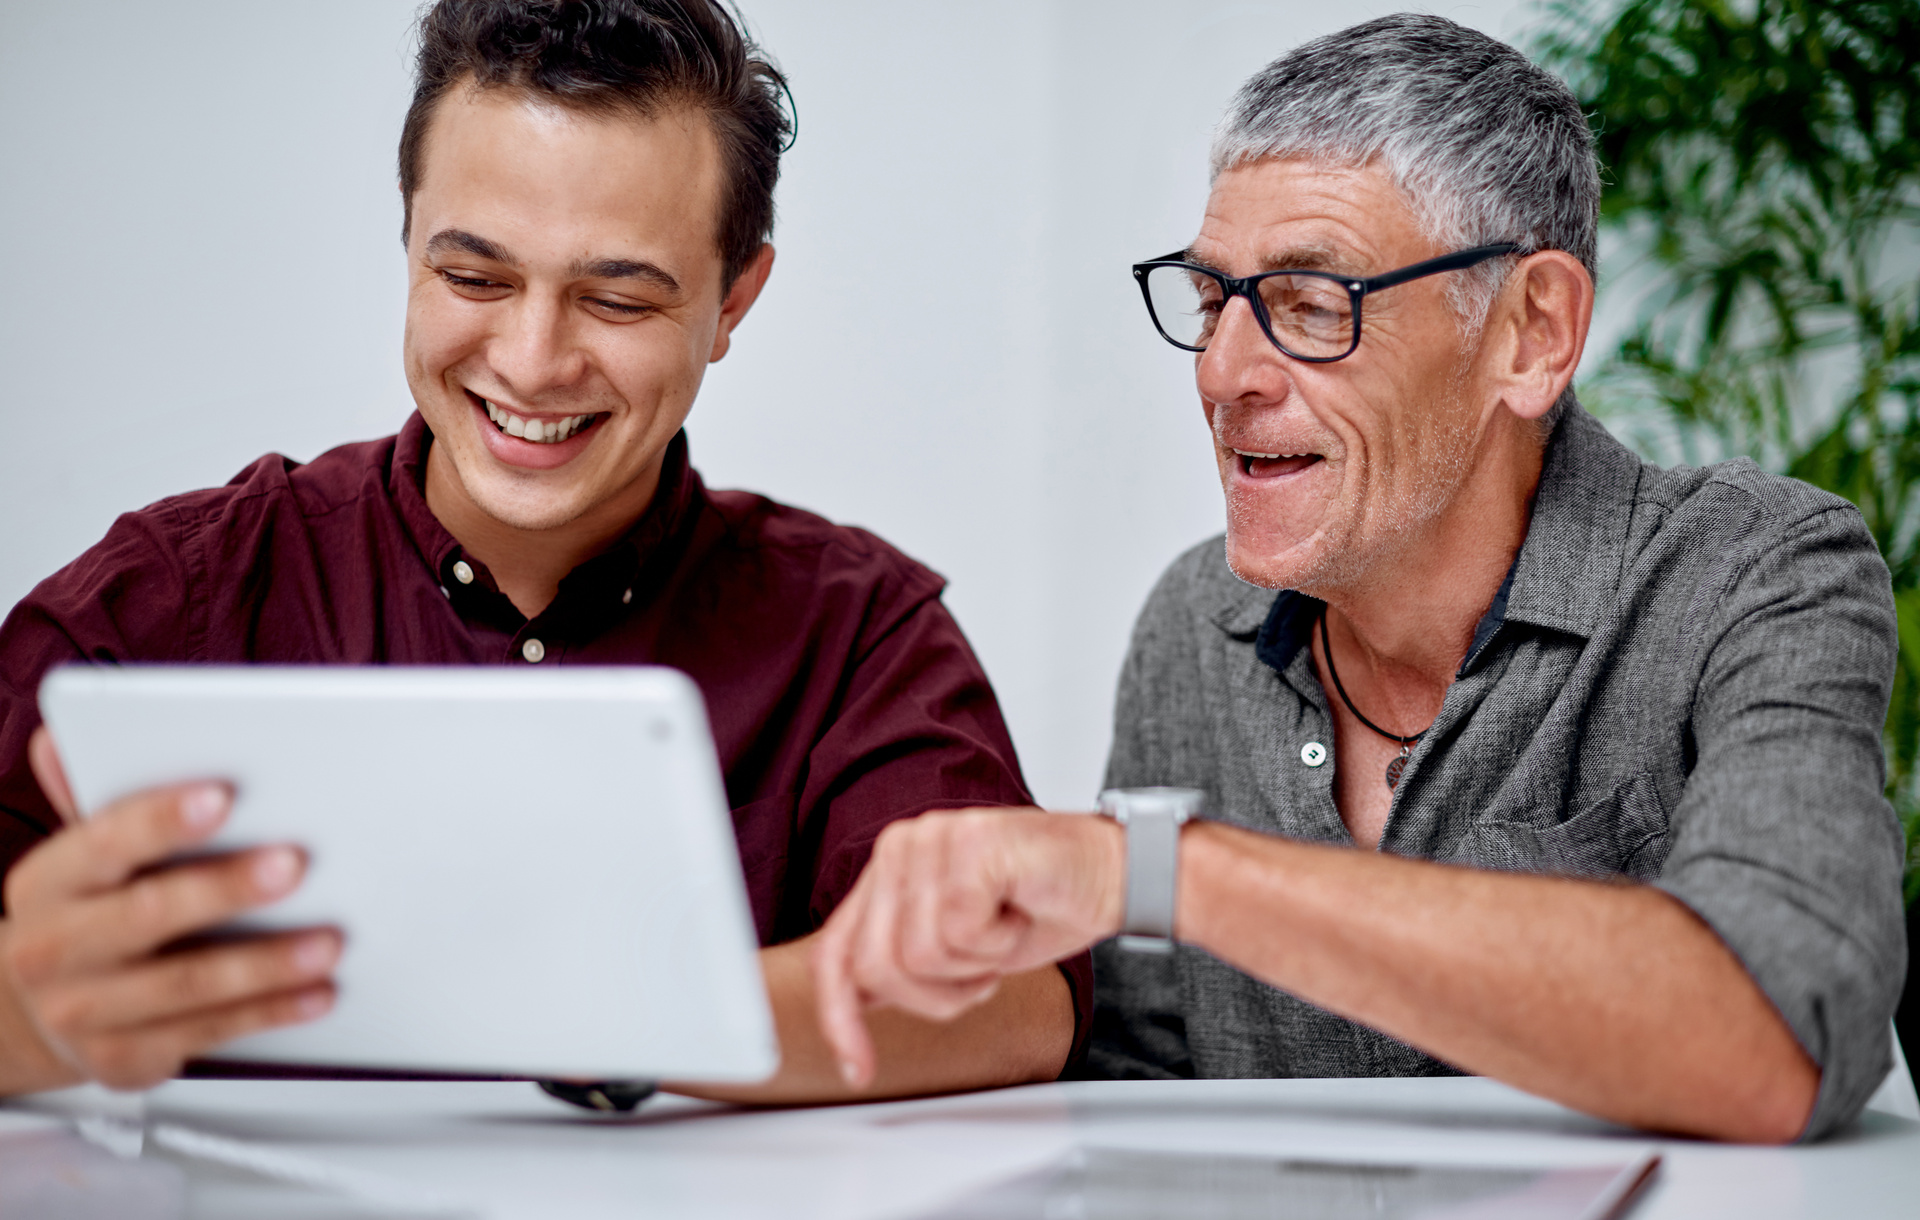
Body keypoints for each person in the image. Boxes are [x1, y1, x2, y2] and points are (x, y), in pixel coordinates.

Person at [810, 14, 1906, 1143]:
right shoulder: (1197, 624)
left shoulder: (1754, 573)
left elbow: (1782, 1037)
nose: (1225, 374)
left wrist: (1165, 872)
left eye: (1312, 304)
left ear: (1532, 333)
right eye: (1210, 302)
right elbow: (1135, 1105)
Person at [0, 0, 1083, 1102]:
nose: (530, 360)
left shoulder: (858, 630)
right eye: (474, 278)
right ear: (409, 241)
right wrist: (30, 1018)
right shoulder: (175, 596)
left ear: (733, 302)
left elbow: (1017, 998)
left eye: (616, 296)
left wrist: (610, 1016)